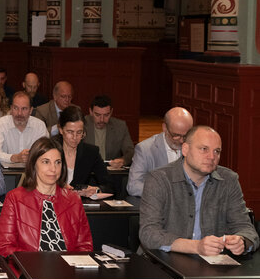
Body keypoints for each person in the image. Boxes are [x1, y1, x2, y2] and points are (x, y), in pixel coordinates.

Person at [139, 126, 259, 255]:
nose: (212, 157)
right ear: (185, 149)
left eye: (217, 151)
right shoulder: (159, 179)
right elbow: (149, 233)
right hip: (164, 263)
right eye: (204, 149)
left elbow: (247, 229)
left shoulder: (229, 180)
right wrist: (196, 247)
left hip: (211, 267)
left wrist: (242, 241)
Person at [0, 137, 93, 257]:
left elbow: (85, 246)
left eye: (57, 162)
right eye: (46, 162)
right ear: (33, 164)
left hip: (67, 272)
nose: (53, 169)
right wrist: (35, 266)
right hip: (29, 271)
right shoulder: (15, 198)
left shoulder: (73, 199)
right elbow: (5, 247)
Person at [127, 107, 193, 197]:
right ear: (165, 128)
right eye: (176, 135)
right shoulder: (145, 149)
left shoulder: (194, 146)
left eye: (185, 136)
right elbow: (133, 186)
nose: (181, 141)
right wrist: (166, 193)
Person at [52, 106, 111, 196]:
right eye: (70, 132)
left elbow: (109, 185)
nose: (75, 137)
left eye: (79, 132)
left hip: (79, 205)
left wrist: (96, 190)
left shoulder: (90, 152)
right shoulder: (50, 150)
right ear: (60, 130)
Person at [0, 91, 49, 163]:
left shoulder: (40, 126)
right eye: (16, 108)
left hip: (33, 171)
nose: (19, 113)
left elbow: (46, 153)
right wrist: (14, 158)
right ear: (11, 108)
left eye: (24, 109)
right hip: (5, 173)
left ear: (31, 110)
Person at [84, 95, 134, 168]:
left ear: (111, 112)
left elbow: (130, 151)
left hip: (111, 172)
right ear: (91, 112)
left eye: (106, 115)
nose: (102, 119)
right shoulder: (82, 124)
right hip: (87, 171)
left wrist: (123, 160)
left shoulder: (120, 126)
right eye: (97, 115)